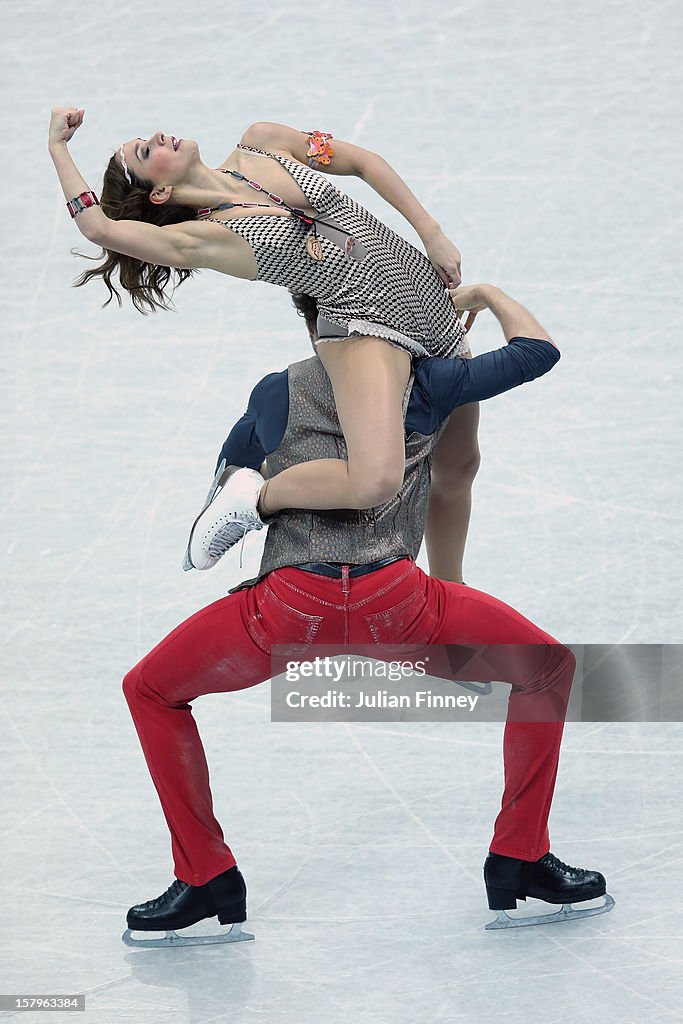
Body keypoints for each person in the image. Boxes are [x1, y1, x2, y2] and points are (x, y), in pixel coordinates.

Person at [120, 283, 613, 947]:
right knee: (548, 668)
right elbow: (534, 353)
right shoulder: (429, 383)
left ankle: (206, 875)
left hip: (287, 609)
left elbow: (225, 495)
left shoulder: (275, 390)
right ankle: (518, 857)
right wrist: (488, 295)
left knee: (149, 689)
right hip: (399, 606)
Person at [48, 107, 480, 583]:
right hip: (364, 330)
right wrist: (58, 148)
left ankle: (449, 588)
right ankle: (254, 497)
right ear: (161, 192)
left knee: (460, 464)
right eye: (145, 152)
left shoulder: (263, 141)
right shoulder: (205, 237)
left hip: (424, 296)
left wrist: (432, 233)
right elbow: (99, 228)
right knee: (376, 481)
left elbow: (363, 162)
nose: (156, 136)